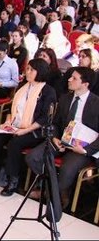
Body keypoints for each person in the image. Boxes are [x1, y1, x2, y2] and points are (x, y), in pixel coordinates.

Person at [25, 67, 99, 208]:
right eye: (70, 77)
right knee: (33, 157)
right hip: (62, 140)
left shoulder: (96, 103)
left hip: (82, 147)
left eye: (74, 78)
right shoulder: (65, 99)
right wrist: (54, 138)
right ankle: (54, 190)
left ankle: (56, 192)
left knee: (67, 169)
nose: (69, 80)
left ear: (85, 84)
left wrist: (85, 150)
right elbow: (55, 123)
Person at [0, 59, 56, 196]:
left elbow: (44, 118)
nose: (27, 72)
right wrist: (8, 122)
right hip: (16, 126)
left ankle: (13, 180)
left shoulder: (48, 91)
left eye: (31, 70)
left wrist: (25, 131)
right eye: (27, 69)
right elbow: (12, 109)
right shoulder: (23, 87)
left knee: (15, 143)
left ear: (40, 72)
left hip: (34, 130)